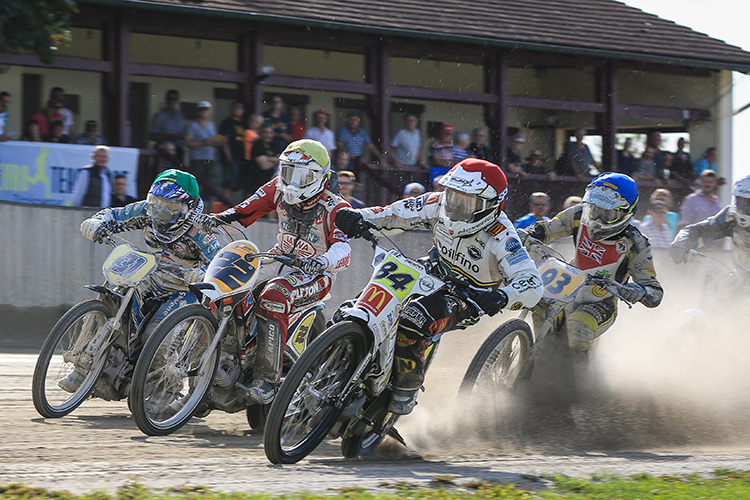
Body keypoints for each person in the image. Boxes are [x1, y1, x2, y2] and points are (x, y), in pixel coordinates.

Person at [335, 158, 543, 414]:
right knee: (356, 307)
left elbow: (532, 283)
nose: (455, 206)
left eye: (466, 202)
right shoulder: (436, 202)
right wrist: (357, 217)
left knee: (414, 319)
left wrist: (502, 296)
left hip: (469, 296)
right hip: (430, 270)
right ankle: (334, 368)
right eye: (453, 196)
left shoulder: (503, 235)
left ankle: (406, 387)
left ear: (490, 205)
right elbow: (393, 214)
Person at [207, 139, 352, 405]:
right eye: (288, 172)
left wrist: (323, 262)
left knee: (274, 296)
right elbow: (243, 211)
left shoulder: (336, 207)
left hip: (315, 273)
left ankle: (266, 380)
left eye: (302, 176)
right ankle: (224, 356)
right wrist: (212, 220)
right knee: (224, 283)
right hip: (278, 257)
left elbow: (344, 250)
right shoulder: (276, 188)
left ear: (321, 176)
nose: (292, 182)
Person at [61, 170, 221, 391]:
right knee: (112, 300)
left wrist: (202, 272)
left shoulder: (201, 232)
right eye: (157, 202)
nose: (161, 210)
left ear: (188, 207)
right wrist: (96, 222)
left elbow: (219, 263)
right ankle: (84, 368)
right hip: (148, 277)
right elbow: (115, 215)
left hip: (183, 290)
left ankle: (166, 389)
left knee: (154, 336)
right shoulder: (145, 211)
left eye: (171, 206)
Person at [519, 172, 663, 366]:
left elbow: (654, 292)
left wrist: (639, 291)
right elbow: (548, 228)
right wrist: (528, 234)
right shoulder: (578, 214)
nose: (597, 215)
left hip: (602, 301)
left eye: (607, 211)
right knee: (537, 302)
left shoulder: (636, 243)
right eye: (594, 208)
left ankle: (578, 385)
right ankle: (532, 358)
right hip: (568, 284)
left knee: (578, 326)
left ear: (625, 212)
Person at [671, 174, 750, 279]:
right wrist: (683, 242)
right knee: (715, 281)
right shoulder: (730, 217)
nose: (744, 207)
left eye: (749, 203)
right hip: (741, 277)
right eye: (741, 201)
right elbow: (697, 230)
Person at [185, 101, 224, 190]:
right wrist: (203, 143)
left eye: (206, 109)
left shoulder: (211, 125)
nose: (203, 111)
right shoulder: (193, 125)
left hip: (210, 158)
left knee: (209, 184)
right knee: (196, 184)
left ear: (209, 111)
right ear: (198, 111)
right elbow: (187, 143)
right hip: (197, 159)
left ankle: (207, 203)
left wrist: (218, 142)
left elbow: (214, 140)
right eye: (201, 109)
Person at [218, 101, 246, 197]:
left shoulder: (242, 123)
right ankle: (225, 209)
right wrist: (228, 157)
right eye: (235, 108)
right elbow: (224, 141)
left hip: (240, 159)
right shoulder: (227, 123)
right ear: (231, 109)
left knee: (236, 185)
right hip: (230, 159)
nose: (237, 110)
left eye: (239, 108)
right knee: (228, 184)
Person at [149, 89, 186, 159]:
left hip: (177, 150)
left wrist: (179, 136)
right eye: (170, 99)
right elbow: (152, 136)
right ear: (166, 99)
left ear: (177, 100)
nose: (171, 101)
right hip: (164, 151)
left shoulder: (180, 115)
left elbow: (184, 133)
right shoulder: (159, 115)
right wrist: (169, 136)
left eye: (174, 99)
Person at [248, 125, 282, 195]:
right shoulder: (257, 145)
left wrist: (268, 159)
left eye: (270, 133)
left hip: (268, 182)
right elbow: (264, 165)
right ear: (260, 134)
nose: (268, 135)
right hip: (256, 182)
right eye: (265, 133)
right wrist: (276, 161)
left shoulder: (272, 146)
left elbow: (281, 159)